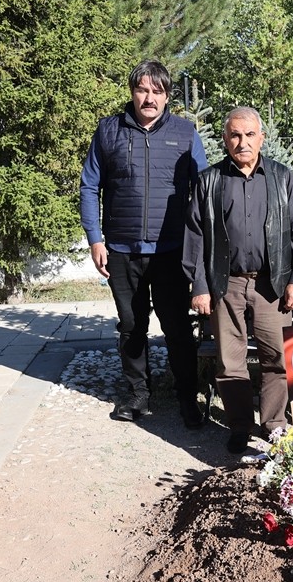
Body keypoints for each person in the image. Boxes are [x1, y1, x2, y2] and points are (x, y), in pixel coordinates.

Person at [79, 59, 207, 427]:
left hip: (171, 251)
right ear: (133, 91)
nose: (149, 98)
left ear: (167, 96)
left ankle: (187, 397)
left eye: (157, 91)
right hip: (121, 250)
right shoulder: (108, 131)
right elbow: (90, 186)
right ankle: (138, 395)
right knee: (131, 326)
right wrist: (95, 239)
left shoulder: (185, 134)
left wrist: (199, 246)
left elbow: (201, 192)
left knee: (177, 328)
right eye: (142, 90)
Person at [183, 107, 293, 454]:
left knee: (276, 358)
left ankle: (274, 425)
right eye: (235, 135)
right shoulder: (209, 181)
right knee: (230, 361)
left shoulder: (283, 178)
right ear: (225, 139)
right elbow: (195, 237)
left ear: (261, 138)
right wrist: (200, 286)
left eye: (250, 135)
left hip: (272, 284)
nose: (242, 142)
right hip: (227, 283)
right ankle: (239, 425)